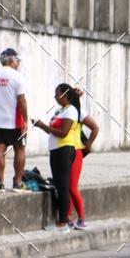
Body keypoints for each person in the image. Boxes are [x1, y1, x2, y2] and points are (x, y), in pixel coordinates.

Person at [31, 83, 82, 230]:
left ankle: (63, 222)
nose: (55, 97)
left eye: (57, 94)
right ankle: (62, 220)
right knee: (59, 185)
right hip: (55, 150)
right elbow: (51, 130)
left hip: (64, 150)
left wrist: (42, 125)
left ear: (65, 95)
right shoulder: (59, 111)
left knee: (63, 186)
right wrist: (41, 126)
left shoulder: (71, 111)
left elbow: (63, 133)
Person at [0, 47, 28, 192]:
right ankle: (17, 183)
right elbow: (21, 100)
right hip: (15, 121)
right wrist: (25, 120)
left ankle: (0, 184)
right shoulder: (18, 76)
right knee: (20, 149)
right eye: (17, 61)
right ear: (12, 60)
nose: (18, 63)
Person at [67, 87, 99, 230]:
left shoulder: (79, 113)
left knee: (72, 187)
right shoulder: (61, 112)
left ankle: (81, 219)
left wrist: (88, 145)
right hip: (63, 152)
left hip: (75, 152)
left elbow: (95, 127)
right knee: (65, 186)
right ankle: (68, 218)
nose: (56, 98)